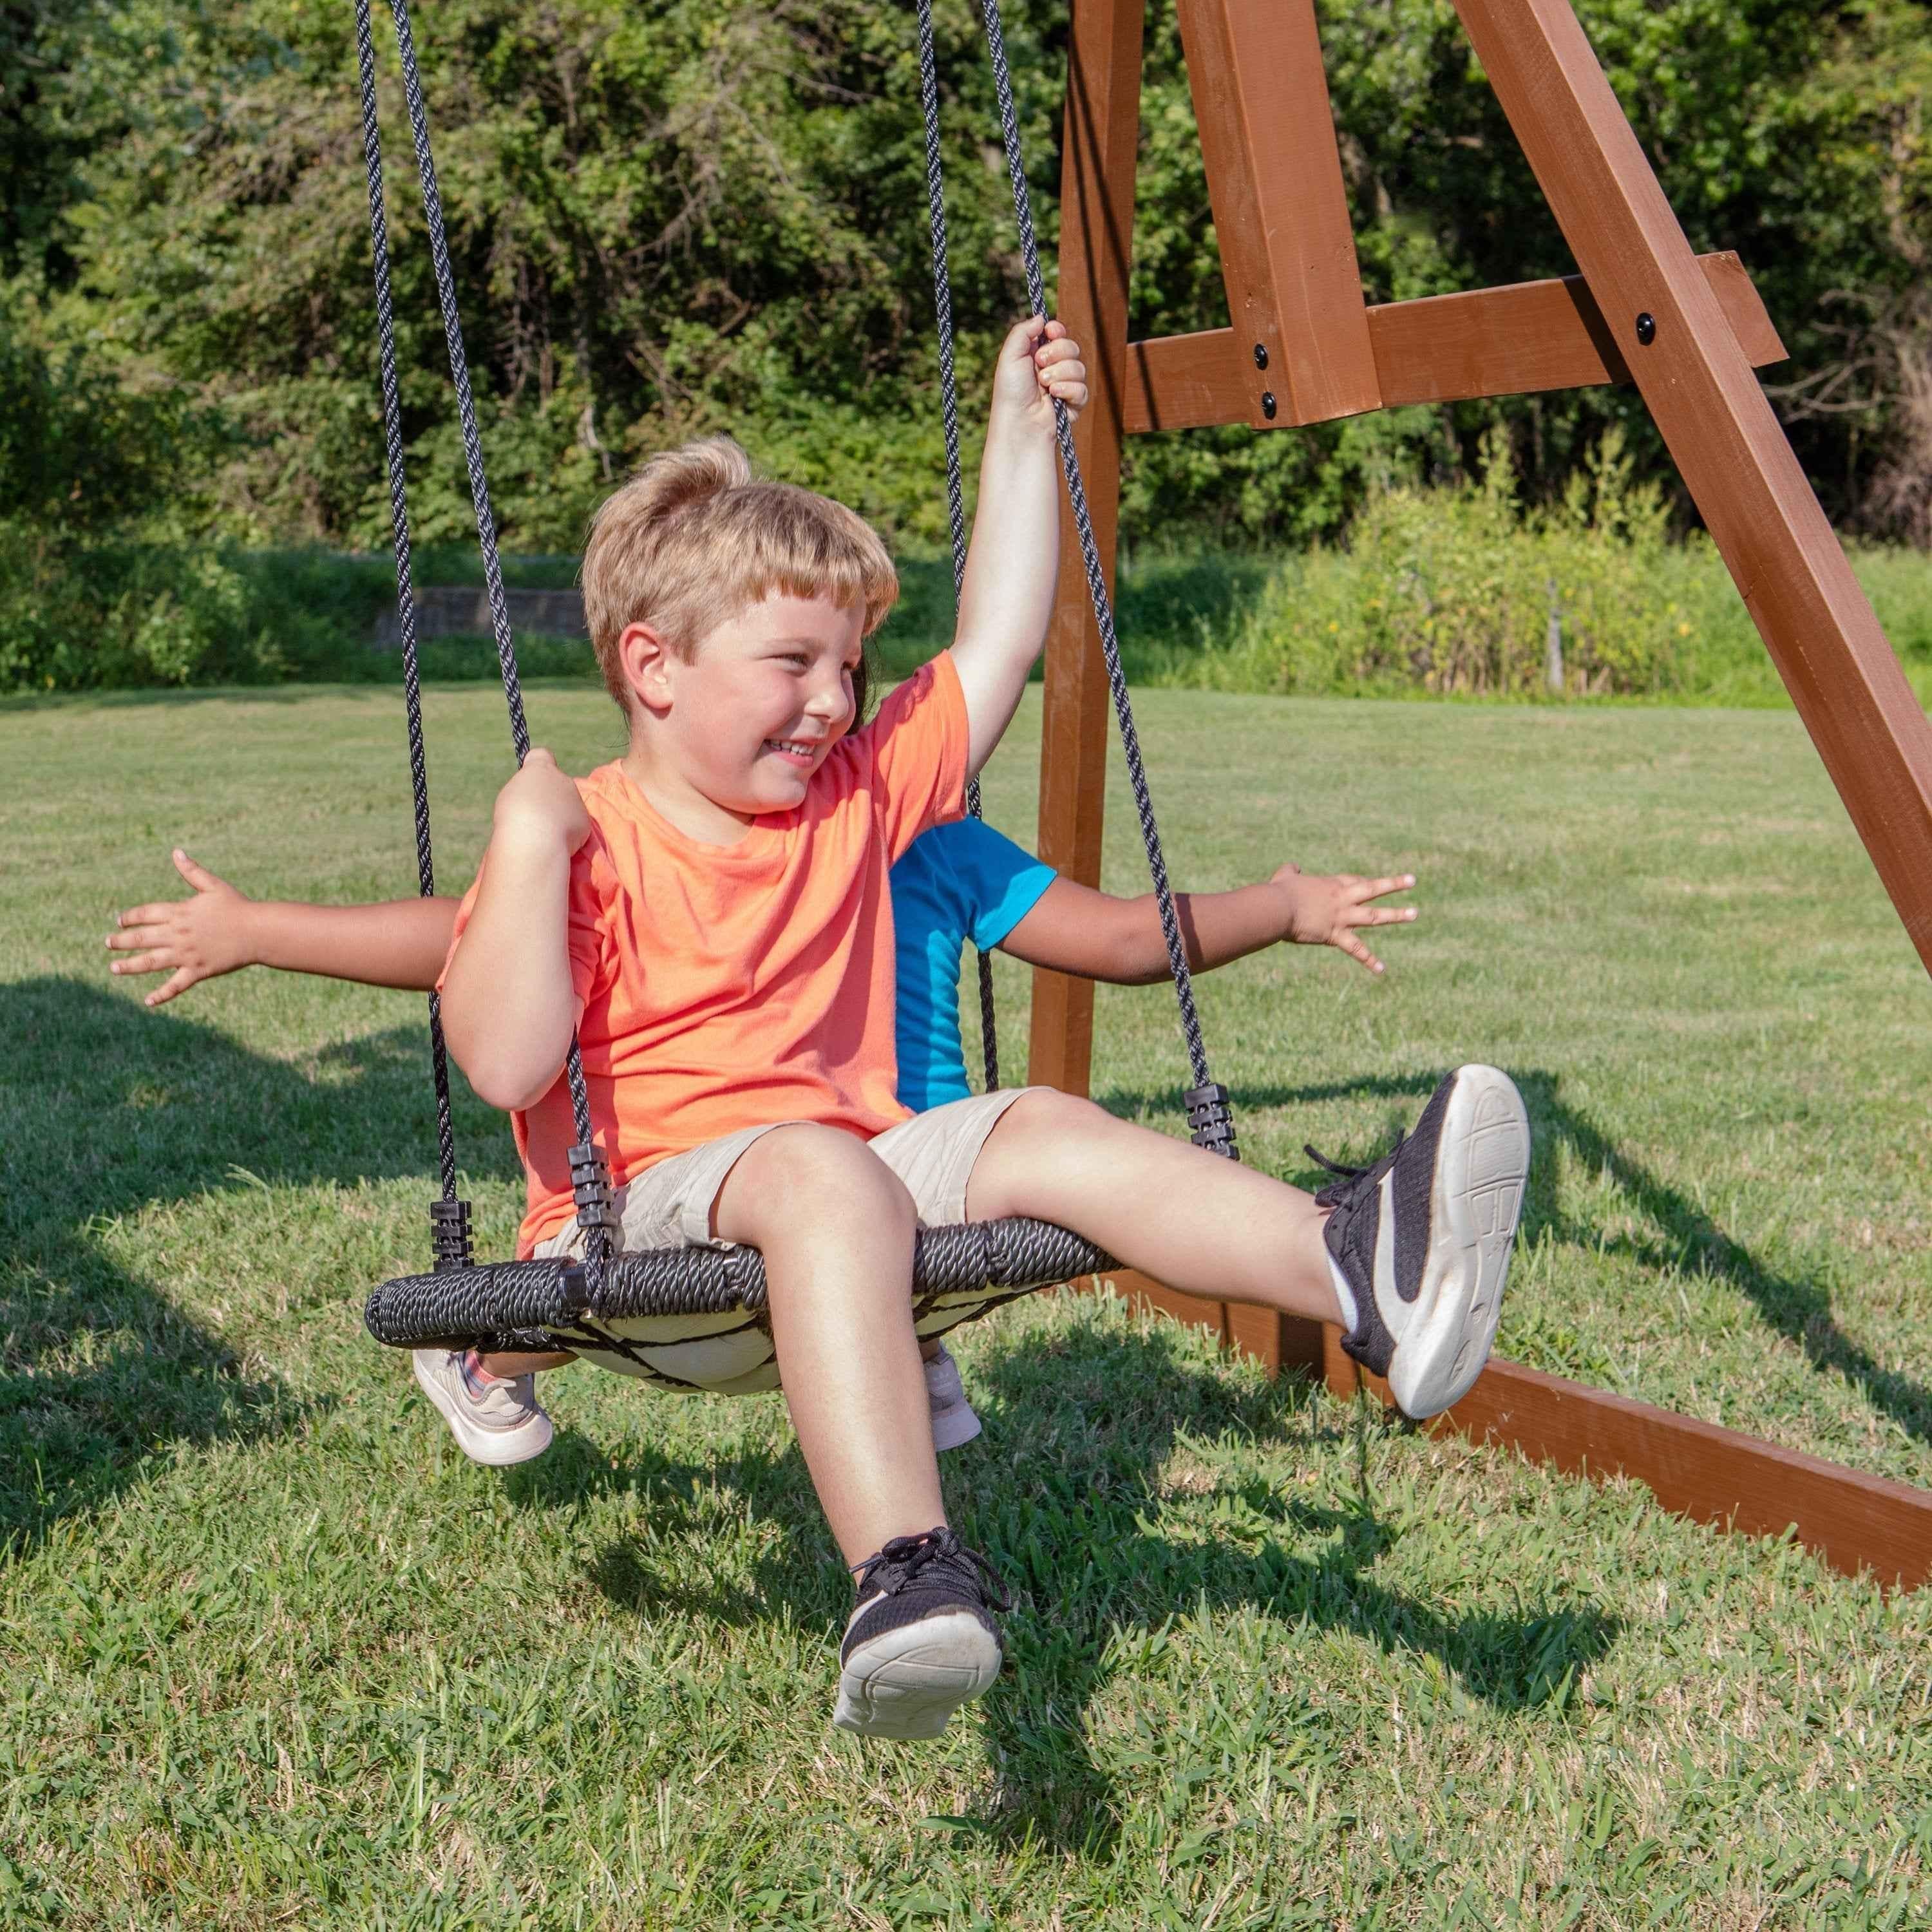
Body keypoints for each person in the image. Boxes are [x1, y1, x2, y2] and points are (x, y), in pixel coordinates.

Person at [115, 316, 1529, 1743]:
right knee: (818, 1167)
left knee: (1039, 1125)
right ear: (655, 668)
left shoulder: (858, 792)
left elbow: (1000, 637)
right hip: (640, 1232)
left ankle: (1358, 1269)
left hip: (848, 1201)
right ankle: (907, 1576)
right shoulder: (587, 841)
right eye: (794, 662)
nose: (834, 702)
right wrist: (526, 839)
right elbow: (504, 1061)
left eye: (850, 665)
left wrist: (1018, 426)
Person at [108, 825, 1421, 1457]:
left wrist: (1281, 906)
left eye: (841, 674)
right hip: (714, 1191)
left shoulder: (936, 848)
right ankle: (483, 1352)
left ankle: (1352, 1267)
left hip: (906, 1181)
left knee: (1000, 1158)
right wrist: (260, 929)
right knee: (621, 1270)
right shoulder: (686, 853)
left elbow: (1129, 938)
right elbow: (465, 941)